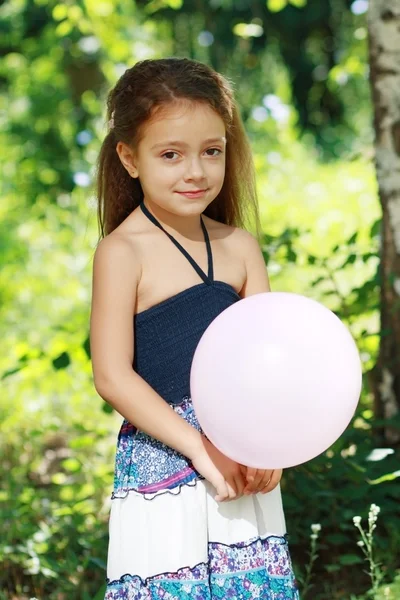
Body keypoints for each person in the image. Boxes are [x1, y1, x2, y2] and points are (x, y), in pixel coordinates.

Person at [90, 57, 300, 599]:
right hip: (167, 460)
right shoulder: (122, 252)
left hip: (242, 452)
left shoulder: (239, 247)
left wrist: (267, 443)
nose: (196, 171)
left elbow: (266, 362)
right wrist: (200, 447)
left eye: (212, 151)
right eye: (170, 155)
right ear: (129, 159)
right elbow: (113, 376)